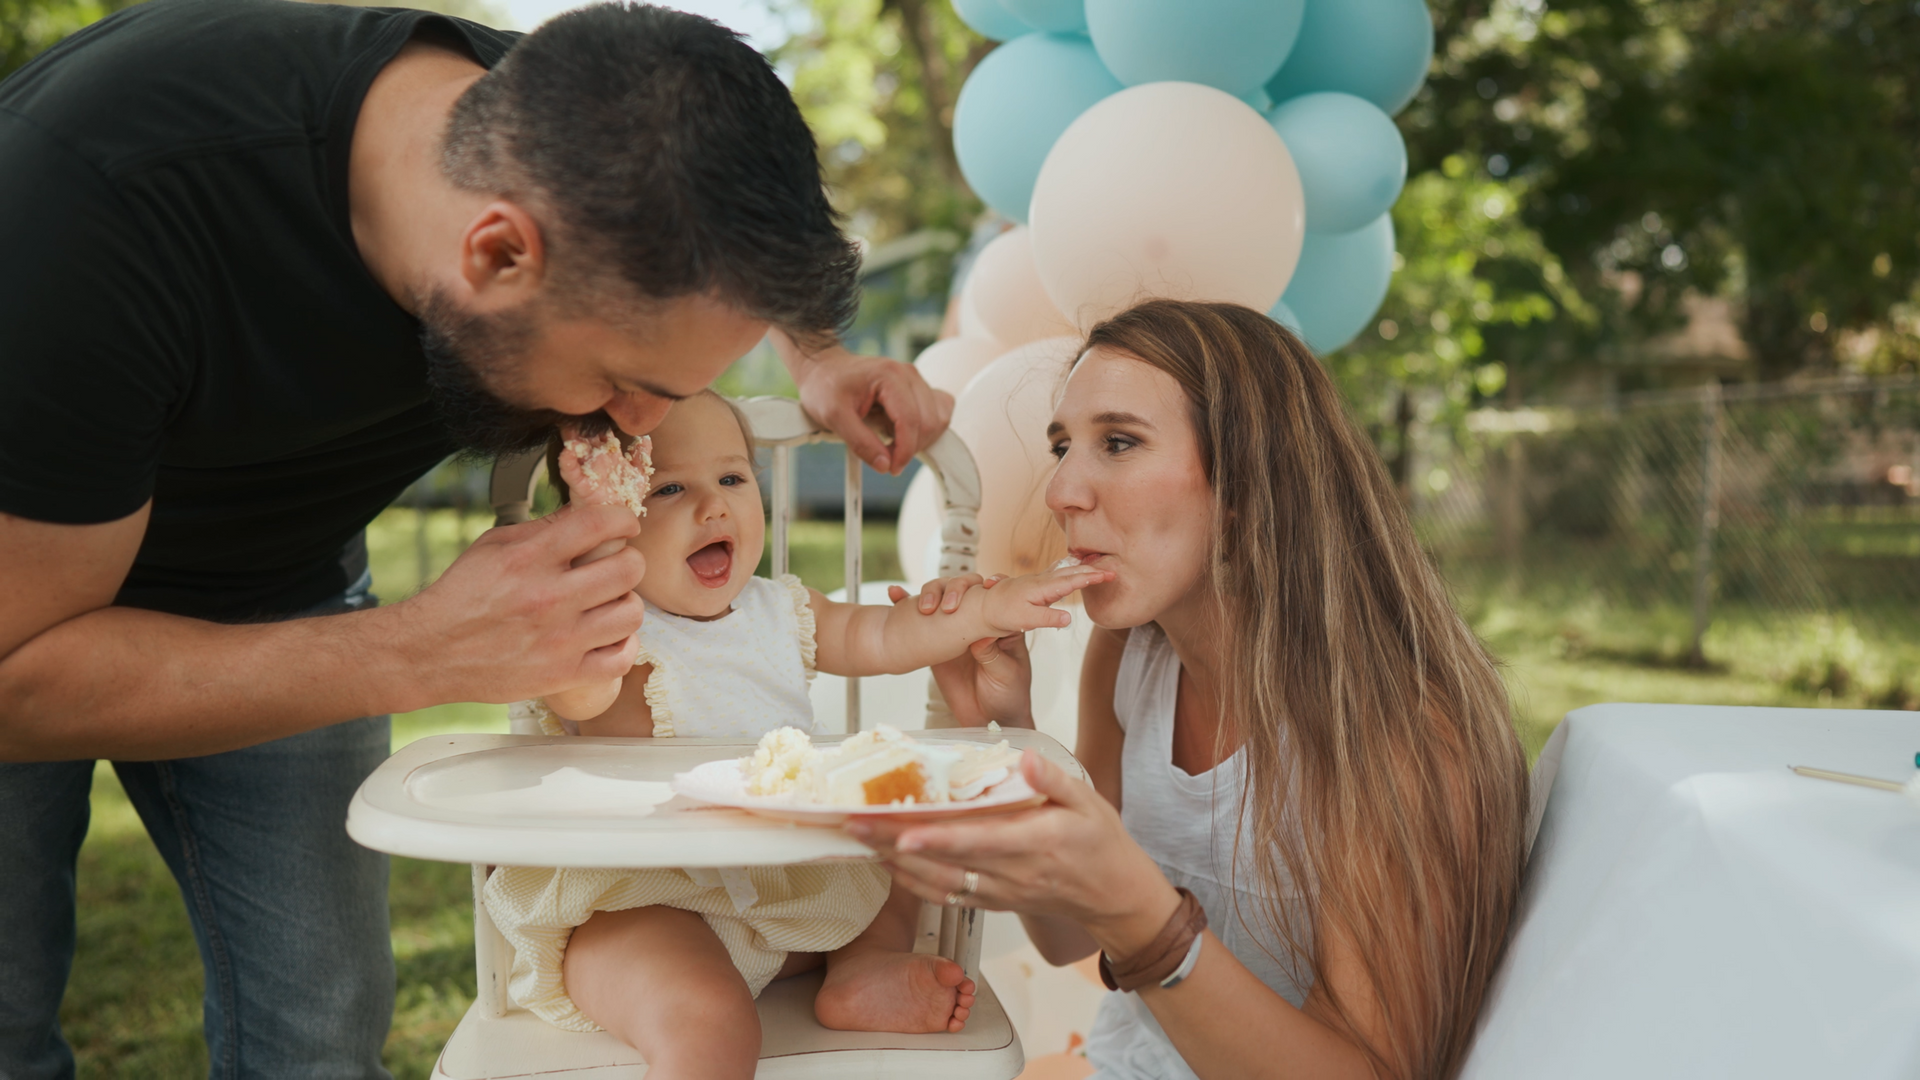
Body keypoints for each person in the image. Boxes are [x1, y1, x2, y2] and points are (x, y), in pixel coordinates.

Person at [0, 3, 950, 1076]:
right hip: (22, 581)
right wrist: (417, 649)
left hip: (279, 571)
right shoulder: (92, 210)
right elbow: (14, 674)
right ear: (498, 250)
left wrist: (814, 355)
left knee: (315, 1037)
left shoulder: (568, 118)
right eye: (628, 384)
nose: (643, 427)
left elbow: (711, 229)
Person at [856, 300, 1531, 1080]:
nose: (1062, 490)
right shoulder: (1128, 657)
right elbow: (1067, 939)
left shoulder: (1400, 736)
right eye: (1063, 447)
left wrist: (1146, 920)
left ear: (1247, 483)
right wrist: (1006, 734)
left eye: (1118, 443)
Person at [482, 391, 1109, 1077]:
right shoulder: (600, 633)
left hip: (798, 894)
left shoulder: (779, 610)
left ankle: (861, 969)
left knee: (900, 854)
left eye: (732, 478)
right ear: (600, 519)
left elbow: (883, 632)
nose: (713, 506)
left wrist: (984, 606)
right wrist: (599, 555)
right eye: (666, 488)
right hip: (645, 908)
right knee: (709, 1020)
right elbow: (583, 692)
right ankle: (704, 1031)